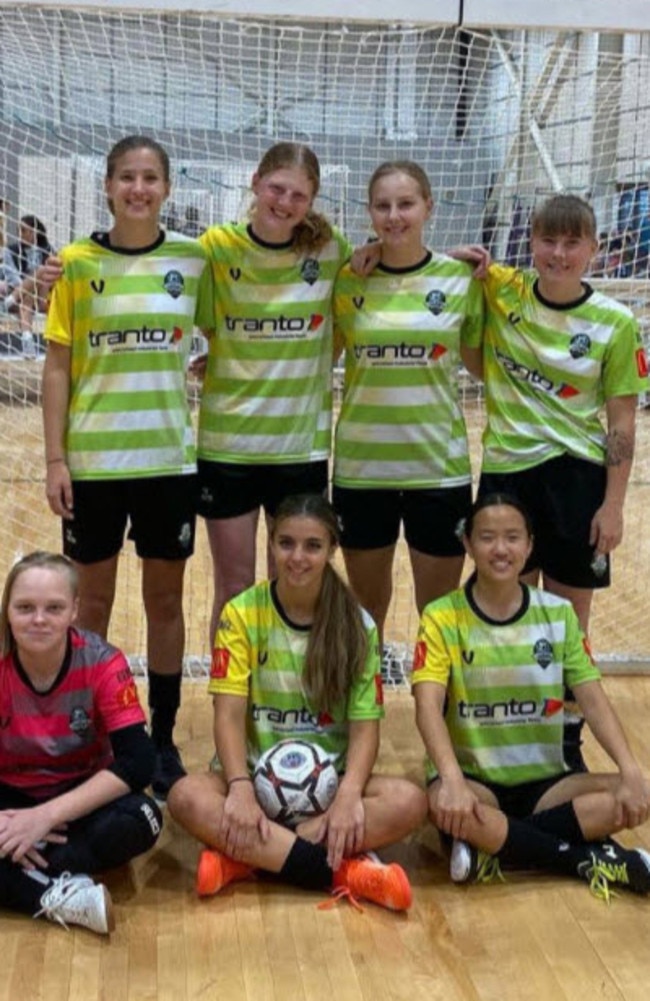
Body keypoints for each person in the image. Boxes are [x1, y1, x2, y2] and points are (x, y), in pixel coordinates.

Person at [41, 134, 215, 801]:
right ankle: (96, 734)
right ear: (109, 186)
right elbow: (57, 364)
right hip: (95, 463)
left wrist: (207, 361)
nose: (139, 189)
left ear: (167, 188)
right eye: (127, 178)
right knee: (95, 605)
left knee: (164, 601)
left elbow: (224, 327)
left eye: (150, 178)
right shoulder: (78, 264)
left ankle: (164, 735)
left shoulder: (191, 260)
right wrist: (57, 457)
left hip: (168, 461)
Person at [168, 494, 426, 911]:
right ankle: (343, 872)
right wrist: (238, 788)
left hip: (330, 787)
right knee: (185, 797)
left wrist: (348, 796)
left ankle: (247, 860)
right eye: (286, 543)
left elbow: (366, 729)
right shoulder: (242, 614)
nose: (298, 557)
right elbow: (228, 715)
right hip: (253, 782)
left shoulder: (356, 624)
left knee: (409, 802)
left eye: (313, 546)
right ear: (270, 545)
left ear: (331, 550)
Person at [472, 194, 649, 769]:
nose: (559, 253)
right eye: (548, 240)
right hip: (508, 476)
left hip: (577, 481)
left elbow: (622, 420)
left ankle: (567, 740)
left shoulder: (615, 323)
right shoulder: (504, 291)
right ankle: (510, 732)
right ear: (532, 243)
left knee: (570, 622)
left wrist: (614, 506)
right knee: (506, 611)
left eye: (573, 242)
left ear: (595, 248)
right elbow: (448, 265)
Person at [412, 494, 650, 901]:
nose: (500, 549)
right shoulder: (440, 615)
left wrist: (629, 769)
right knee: (437, 804)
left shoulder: (559, 615)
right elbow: (427, 706)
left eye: (512, 538)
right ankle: (584, 859)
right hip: (477, 785)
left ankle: (498, 848)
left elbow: (593, 699)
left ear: (529, 546)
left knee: (634, 795)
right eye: (487, 537)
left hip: (548, 786)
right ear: (468, 545)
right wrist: (451, 780)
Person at [196, 142, 353, 644]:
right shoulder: (216, 248)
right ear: (255, 183)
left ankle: (285, 695)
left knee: (295, 585)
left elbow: (356, 311)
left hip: (299, 448)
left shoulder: (332, 251)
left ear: (313, 201)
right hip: (229, 446)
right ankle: (231, 701)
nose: (285, 202)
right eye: (276, 189)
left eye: (299, 196)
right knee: (235, 586)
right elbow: (202, 321)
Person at [332, 160, 483, 653]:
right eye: (383, 206)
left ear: (428, 207)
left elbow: (486, 365)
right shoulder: (348, 279)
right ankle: (364, 712)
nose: (394, 216)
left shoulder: (460, 280)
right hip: (362, 469)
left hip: (437, 471)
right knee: (366, 607)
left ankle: (440, 716)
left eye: (406, 204)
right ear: (370, 213)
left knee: (438, 612)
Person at [0, 552, 162, 934]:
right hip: (9, 799)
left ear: (74, 609)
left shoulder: (102, 662)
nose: (39, 619)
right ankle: (59, 895)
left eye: (53, 608)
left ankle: (18, 866)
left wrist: (45, 818)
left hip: (77, 801)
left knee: (142, 819)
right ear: (7, 609)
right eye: (25, 607)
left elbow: (138, 762)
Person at [6, 214, 55, 355]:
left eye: (23, 230)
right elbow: (11, 276)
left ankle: (14, 298)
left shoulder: (47, 250)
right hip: (23, 297)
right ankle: (28, 342)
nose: (20, 234)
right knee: (26, 300)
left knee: (43, 270)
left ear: (34, 232)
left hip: (42, 298)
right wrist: (27, 288)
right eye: (18, 230)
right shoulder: (11, 250)